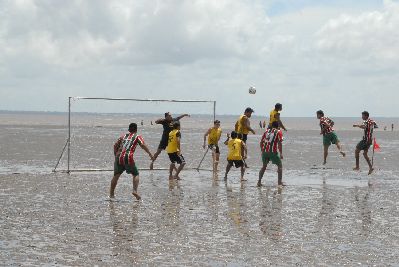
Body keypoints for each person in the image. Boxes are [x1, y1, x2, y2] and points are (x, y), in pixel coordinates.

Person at [110, 123, 153, 200]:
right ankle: (134, 191)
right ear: (136, 130)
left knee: (116, 175)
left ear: (129, 130)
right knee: (135, 174)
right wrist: (150, 154)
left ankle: (111, 195)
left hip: (118, 157)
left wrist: (116, 155)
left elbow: (115, 145)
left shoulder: (123, 136)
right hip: (128, 157)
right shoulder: (137, 137)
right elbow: (143, 145)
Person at [258, 121, 284, 187]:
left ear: (272, 126)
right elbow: (279, 143)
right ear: (278, 126)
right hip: (272, 152)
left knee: (264, 166)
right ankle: (279, 182)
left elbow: (261, 142)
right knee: (280, 166)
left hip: (265, 152)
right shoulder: (278, 132)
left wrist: (262, 150)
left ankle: (259, 182)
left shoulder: (266, 131)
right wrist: (281, 153)